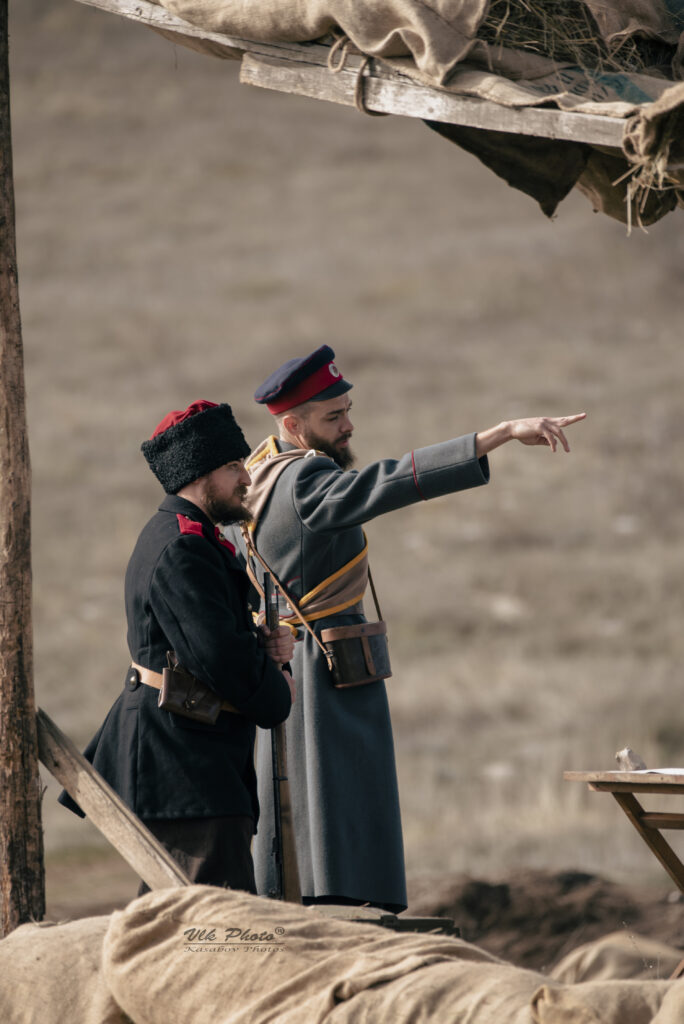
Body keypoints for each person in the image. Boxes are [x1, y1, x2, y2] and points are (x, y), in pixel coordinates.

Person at [234, 346, 585, 913]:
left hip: (287, 662)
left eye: (348, 411)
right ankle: (348, 907)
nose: (348, 426)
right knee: (341, 808)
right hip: (326, 669)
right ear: (294, 425)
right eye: (333, 417)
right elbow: (389, 482)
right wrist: (496, 435)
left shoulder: (257, 471)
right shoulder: (304, 478)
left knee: (301, 808)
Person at [60, 400, 295, 893]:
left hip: (188, 759)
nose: (246, 478)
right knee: (211, 923)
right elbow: (219, 659)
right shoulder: (184, 547)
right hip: (185, 767)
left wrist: (262, 645)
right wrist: (277, 692)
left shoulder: (191, 538)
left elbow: (209, 641)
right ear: (200, 474)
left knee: (181, 917)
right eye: (233, 467)